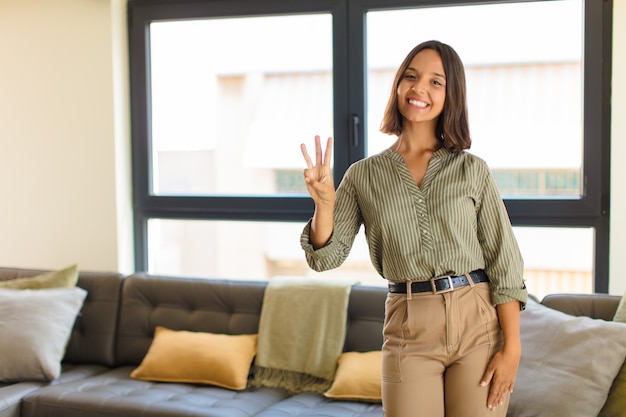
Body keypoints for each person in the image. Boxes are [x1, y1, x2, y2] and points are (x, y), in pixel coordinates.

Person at [299, 40, 527, 417]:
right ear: (398, 86)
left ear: (450, 95)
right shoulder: (363, 175)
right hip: (408, 328)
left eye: (436, 82)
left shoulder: (472, 170)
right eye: (411, 76)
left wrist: (512, 347)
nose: (420, 88)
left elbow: (505, 262)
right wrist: (324, 203)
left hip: (477, 322)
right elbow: (326, 256)